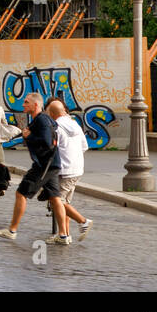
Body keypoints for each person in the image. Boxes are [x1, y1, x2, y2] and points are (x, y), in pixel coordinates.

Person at [0, 92, 70, 244]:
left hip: (44, 165)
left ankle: (12, 230)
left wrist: (29, 137)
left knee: (21, 193)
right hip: (52, 164)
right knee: (55, 199)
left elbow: (46, 142)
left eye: (26, 102)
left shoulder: (41, 120)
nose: (23, 104)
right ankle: (63, 236)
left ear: (35, 105)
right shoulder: (42, 119)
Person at [48, 99, 93, 241]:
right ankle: (64, 234)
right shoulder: (75, 125)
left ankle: (83, 221)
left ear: (52, 113)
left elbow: (51, 149)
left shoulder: (55, 127)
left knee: (57, 202)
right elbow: (84, 146)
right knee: (64, 202)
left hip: (64, 170)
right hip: (77, 169)